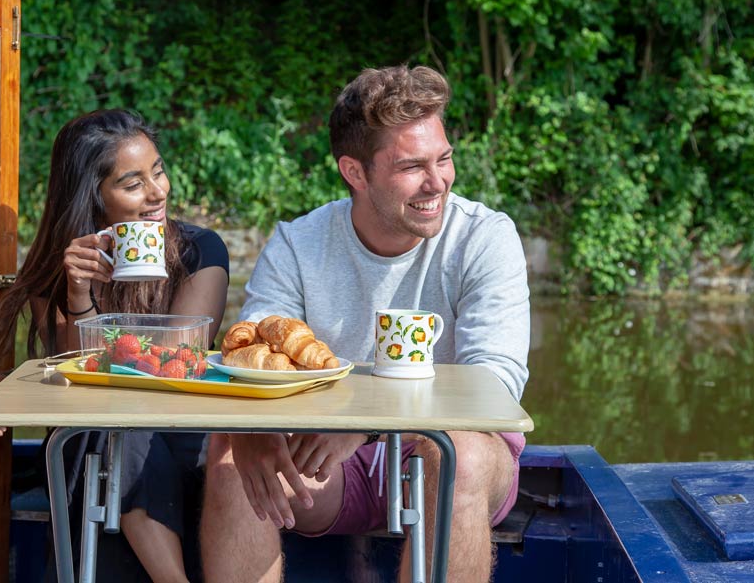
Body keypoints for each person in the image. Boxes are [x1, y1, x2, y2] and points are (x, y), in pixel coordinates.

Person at [199, 65, 529, 582]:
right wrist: (251, 426)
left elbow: (496, 386)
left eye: (444, 159)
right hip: (328, 461)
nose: (437, 181)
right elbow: (252, 352)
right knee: (230, 453)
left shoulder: (485, 238)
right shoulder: (297, 243)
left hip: (447, 456)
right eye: (412, 166)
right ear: (355, 172)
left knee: (459, 454)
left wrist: (366, 422)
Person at [0, 109, 228, 583]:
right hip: (96, 436)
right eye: (133, 183)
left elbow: (175, 362)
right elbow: (77, 372)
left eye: (158, 171)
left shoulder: (201, 250)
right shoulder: (64, 266)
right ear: (93, 195)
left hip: (179, 432)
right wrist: (79, 295)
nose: (158, 192)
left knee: (123, 432)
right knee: (113, 430)